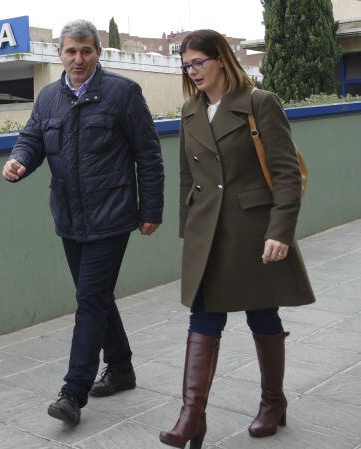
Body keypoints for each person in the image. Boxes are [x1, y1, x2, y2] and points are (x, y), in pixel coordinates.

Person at [2, 19, 164, 426]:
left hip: (111, 215)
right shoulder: (48, 98)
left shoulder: (122, 93)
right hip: (69, 217)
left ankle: (73, 391)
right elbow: (33, 139)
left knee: (89, 300)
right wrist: (20, 160)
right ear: (59, 53)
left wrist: (151, 210)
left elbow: (148, 154)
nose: (78, 59)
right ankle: (122, 368)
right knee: (98, 297)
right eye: (71, 51)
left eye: (86, 51)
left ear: (98, 53)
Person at [159, 29, 315, 449]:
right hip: (206, 232)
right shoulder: (190, 111)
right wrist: (184, 232)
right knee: (204, 316)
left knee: (261, 316)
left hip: (251, 231)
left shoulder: (259, 104)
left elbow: (284, 172)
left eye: (198, 63)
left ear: (221, 59)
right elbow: (187, 180)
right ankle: (192, 416)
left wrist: (280, 231)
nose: (192, 72)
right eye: (186, 65)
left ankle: (272, 402)